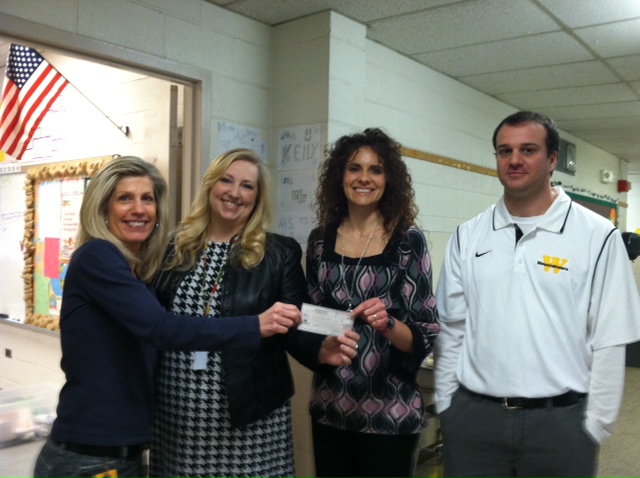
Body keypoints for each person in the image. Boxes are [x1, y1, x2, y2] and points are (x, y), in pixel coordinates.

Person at [33, 157, 301, 478]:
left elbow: (297, 321)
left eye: (147, 199)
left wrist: (322, 346)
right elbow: (160, 327)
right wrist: (255, 325)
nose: (139, 209)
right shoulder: (98, 256)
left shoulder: (136, 265)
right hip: (92, 454)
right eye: (125, 198)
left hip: (122, 450)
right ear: (102, 208)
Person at [435, 111, 640, 478]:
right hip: (474, 423)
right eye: (505, 151)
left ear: (552, 159)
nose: (514, 159)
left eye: (528, 150)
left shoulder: (597, 237)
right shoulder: (468, 236)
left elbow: (609, 340)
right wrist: (447, 404)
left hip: (560, 426)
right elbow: (452, 328)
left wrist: (596, 425)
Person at [149, 148, 359, 478]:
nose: (235, 193)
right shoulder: (173, 247)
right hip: (178, 411)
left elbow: (295, 323)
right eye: (227, 181)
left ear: (258, 197)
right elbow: (153, 322)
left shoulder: (277, 253)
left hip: (250, 412)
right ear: (210, 185)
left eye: (247, 186)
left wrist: (320, 350)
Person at [305, 127, 440, 478]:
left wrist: (389, 325)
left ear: (388, 179)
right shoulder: (319, 241)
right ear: (340, 176)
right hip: (331, 406)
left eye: (375, 170)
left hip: (390, 412)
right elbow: (313, 319)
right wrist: (321, 335)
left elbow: (426, 330)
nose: (364, 178)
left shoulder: (408, 241)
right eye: (354, 168)